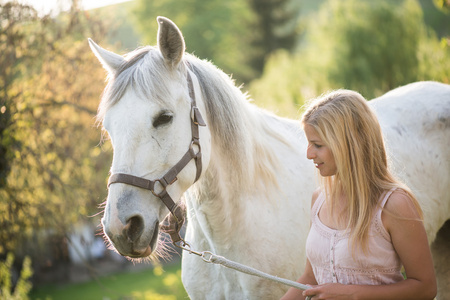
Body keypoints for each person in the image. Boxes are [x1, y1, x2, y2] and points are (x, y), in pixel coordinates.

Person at [281, 90, 437, 300]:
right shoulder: (318, 200)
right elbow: (311, 277)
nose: (309, 153)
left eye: (317, 145)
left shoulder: (395, 204)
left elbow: (425, 288)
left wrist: (353, 294)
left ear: (348, 145)